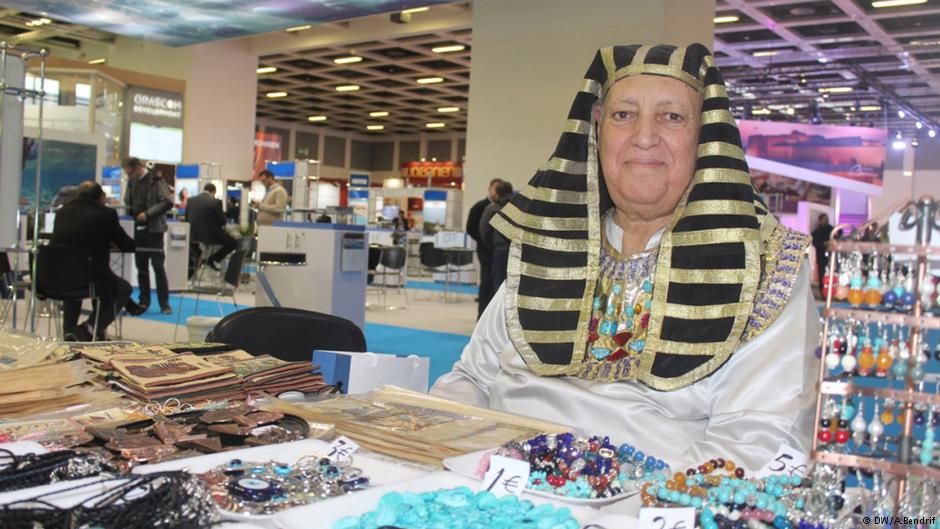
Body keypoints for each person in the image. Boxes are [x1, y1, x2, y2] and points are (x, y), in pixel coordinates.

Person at [432, 43, 819, 475]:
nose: (644, 136)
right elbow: (471, 380)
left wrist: (605, 496)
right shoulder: (550, 242)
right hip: (493, 486)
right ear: (598, 127)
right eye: (623, 114)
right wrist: (447, 461)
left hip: (655, 497)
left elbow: (759, 442)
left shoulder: (763, 265)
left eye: (672, 117)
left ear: (705, 134)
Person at [51, 181, 138, 341]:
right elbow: (127, 244)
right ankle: (89, 329)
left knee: (73, 289)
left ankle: (69, 332)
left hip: (60, 276)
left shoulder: (62, 212)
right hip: (91, 277)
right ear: (101, 197)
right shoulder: (106, 214)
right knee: (122, 289)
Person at [123, 157, 173, 315]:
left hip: (154, 230)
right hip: (137, 229)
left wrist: (148, 214)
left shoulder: (156, 179)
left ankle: (164, 304)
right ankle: (143, 301)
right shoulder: (132, 181)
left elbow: (167, 202)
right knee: (141, 268)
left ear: (138, 168)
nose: (129, 176)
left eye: (130, 173)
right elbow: (128, 200)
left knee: (158, 268)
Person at [466, 178, 503, 319]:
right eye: (495, 189)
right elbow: (471, 228)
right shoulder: (479, 207)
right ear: (490, 189)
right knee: (486, 281)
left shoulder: (504, 205)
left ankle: (495, 316)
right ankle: (482, 315)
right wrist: (483, 241)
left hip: (499, 251)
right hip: (485, 251)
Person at [185, 183, 236, 272]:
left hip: (192, 235)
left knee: (195, 248)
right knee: (233, 243)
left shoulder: (190, 200)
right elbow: (222, 221)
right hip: (210, 235)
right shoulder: (215, 202)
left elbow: (186, 219)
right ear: (214, 192)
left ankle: (198, 261)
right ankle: (212, 259)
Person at [478, 180, 513, 293]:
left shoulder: (492, 208)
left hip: (500, 249)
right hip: (516, 249)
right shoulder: (519, 207)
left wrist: (492, 245)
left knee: (498, 285)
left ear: (497, 193)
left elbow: (484, 230)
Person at [811, 213, 833, 285]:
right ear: (820, 220)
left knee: (831, 273)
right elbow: (815, 243)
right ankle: (822, 288)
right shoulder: (816, 232)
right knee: (822, 273)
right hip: (821, 256)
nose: (826, 221)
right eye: (824, 219)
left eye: (827, 219)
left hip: (832, 256)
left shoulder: (832, 230)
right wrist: (824, 243)